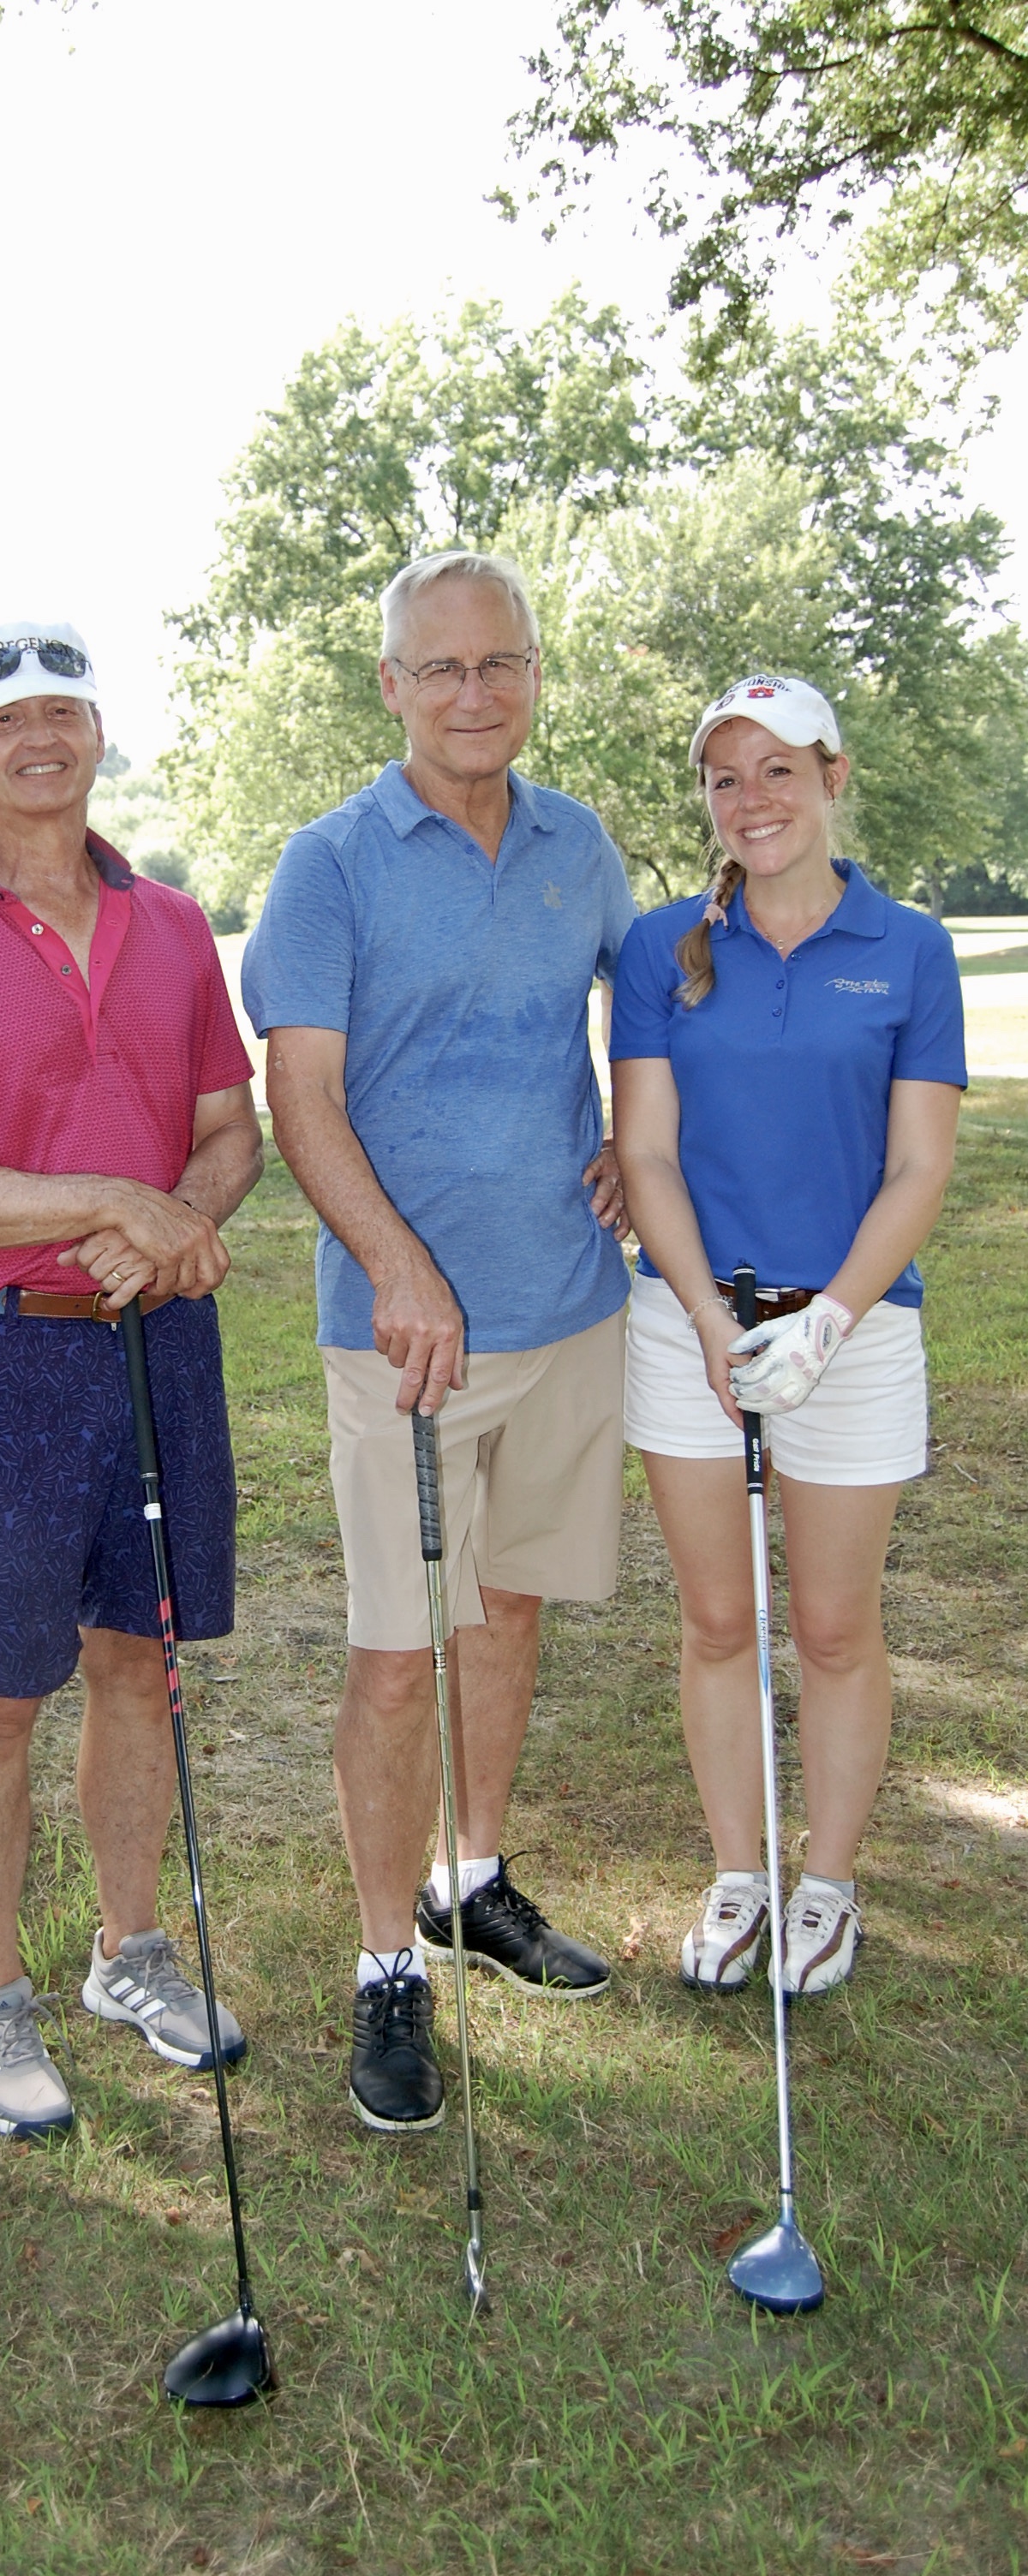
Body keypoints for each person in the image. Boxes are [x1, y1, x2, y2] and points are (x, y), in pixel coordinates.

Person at [0, 621, 263, 2142]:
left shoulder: (173, 924)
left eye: (63, 713)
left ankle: (128, 1955)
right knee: (0, 1690)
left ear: (96, 734)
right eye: (5, 718)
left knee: (139, 1662)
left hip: (159, 1342)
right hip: (4, 1354)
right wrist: (112, 1201)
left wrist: (179, 1222)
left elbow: (229, 1131)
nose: (39, 739)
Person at [242, 550, 633, 2138]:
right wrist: (398, 1266)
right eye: (444, 668)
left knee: (510, 1610)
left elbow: (655, 1011)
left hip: (569, 1307)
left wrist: (643, 1148)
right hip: (401, 1340)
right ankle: (386, 1959)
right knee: (398, 1658)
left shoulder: (579, 844)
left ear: (532, 676)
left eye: (502, 664)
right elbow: (301, 1093)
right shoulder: (330, 863)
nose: (476, 694)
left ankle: (471, 1882)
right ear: (393, 686)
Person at [610, 673, 965, 1996]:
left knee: (830, 1626)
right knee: (717, 1618)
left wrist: (828, 1321)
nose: (751, 799)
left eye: (778, 769)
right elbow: (646, 1152)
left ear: (832, 777)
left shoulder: (909, 948)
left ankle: (828, 1884)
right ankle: (739, 1874)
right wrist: (710, 1318)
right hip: (687, 1320)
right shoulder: (663, 948)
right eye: (726, 777)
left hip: (854, 1329)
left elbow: (919, 1168)